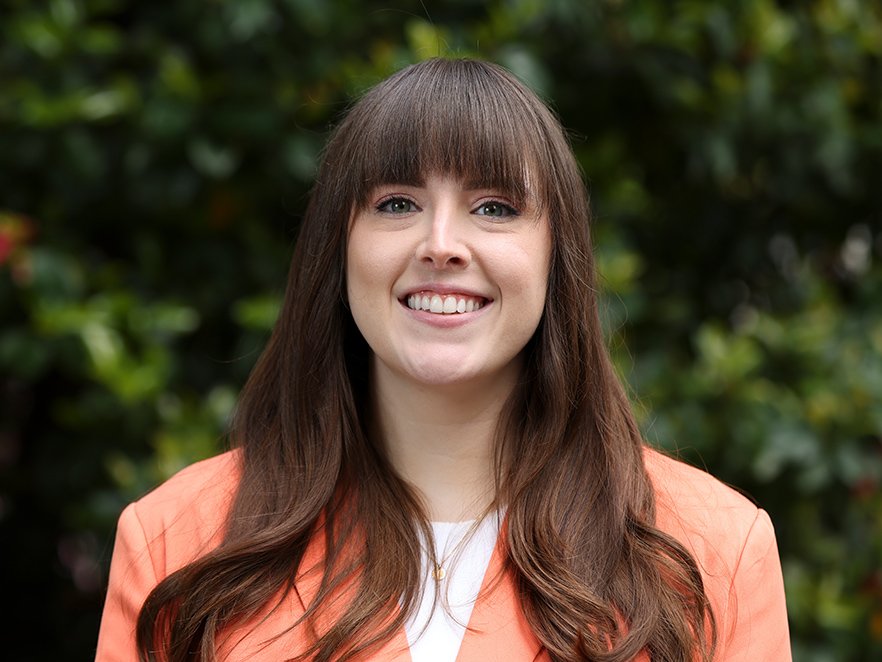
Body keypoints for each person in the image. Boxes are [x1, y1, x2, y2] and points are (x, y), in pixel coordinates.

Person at [95, 57, 791, 662]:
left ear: (558, 257)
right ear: (338, 250)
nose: (441, 243)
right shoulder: (178, 542)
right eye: (397, 203)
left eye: (493, 208)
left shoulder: (712, 551)